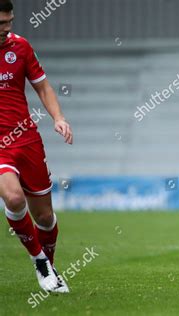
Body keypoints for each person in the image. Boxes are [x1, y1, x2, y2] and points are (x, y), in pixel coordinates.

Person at [0, 0, 72, 292]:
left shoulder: (21, 47)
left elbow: (42, 86)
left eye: (9, 22)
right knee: (14, 199)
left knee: (44, 216)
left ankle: (51, 268)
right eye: (0, 24)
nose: (6, 29)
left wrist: (58, 117)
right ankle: (40, 261)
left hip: (26, 138)